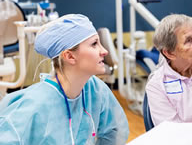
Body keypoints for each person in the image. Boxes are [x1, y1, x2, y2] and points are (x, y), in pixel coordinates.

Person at [0, 14, 129, 145]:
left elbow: (115, 131)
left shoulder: (95, 90)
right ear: (69, 56)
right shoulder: (33, 106)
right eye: (94, 44)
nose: (104, 51)